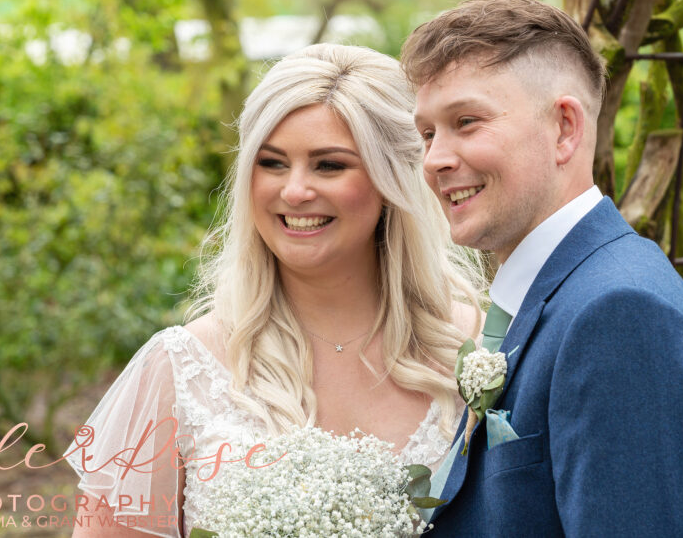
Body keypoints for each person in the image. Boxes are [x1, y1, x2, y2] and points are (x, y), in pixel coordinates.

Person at [67, 43, 486, 536]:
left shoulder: (479, 355)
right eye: (272, 163)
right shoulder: (180, 370)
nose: (294, 191)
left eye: (329, 165)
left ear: (392, 177)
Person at [404, 0, 683, 537]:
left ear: (564, 128)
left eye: (466, 121)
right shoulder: (562, 292)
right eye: (427, 133)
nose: (436, 158)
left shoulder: (621, 315)